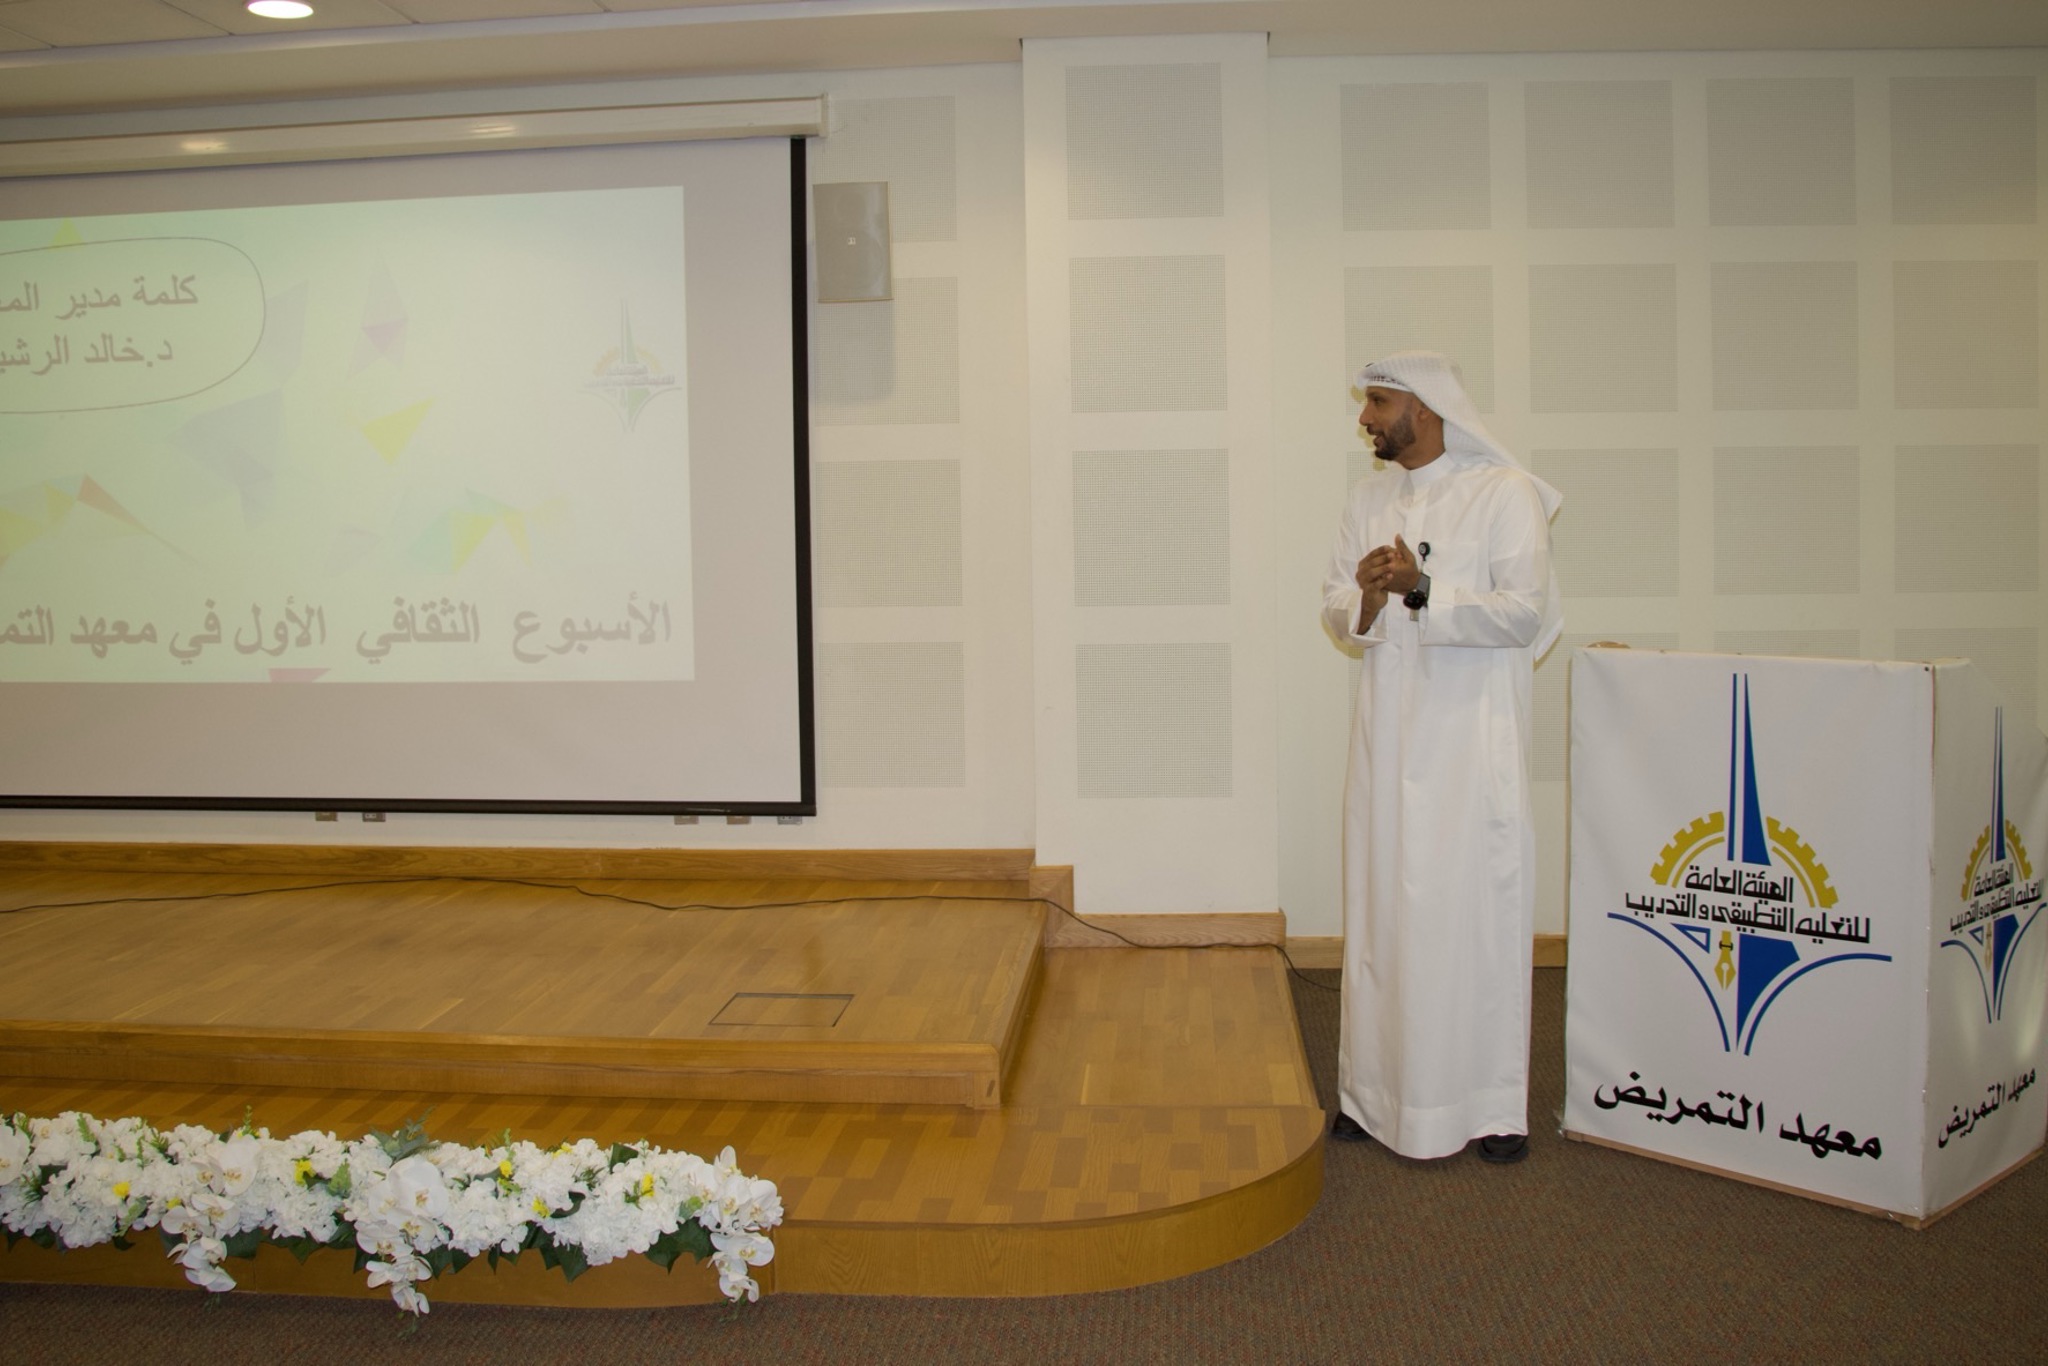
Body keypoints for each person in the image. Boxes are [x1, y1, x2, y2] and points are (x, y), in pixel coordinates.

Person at [1321, 350, 1563, 1163]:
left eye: (1377, 402)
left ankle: (1487, 1107)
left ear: (1423, 408)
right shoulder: (1367, 500)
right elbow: (1336, 608)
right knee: (1384, 908)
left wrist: (1423, 589)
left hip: (1470, 747)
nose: (1365, 418)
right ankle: (1370, 1095)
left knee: (1471, 916)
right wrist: (1366, 595)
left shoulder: (1505, 494)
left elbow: (1524, 615)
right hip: (1388, 739)